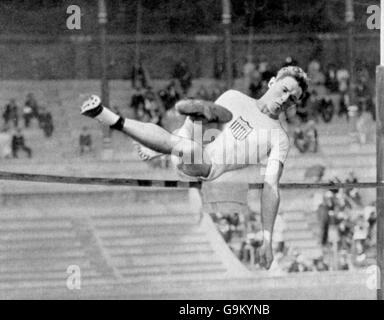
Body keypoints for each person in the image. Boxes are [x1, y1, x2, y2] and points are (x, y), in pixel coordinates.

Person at [81, 66, 308, 269]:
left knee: (188, 144)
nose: (285, 99)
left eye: (293, 99)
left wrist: (267, 240)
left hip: (205, 166)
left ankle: (153, 141)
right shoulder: (234, 96)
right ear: (271, 83)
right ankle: (122, 122)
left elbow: (271, 188)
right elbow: (204, 125)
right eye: (284, 89)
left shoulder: (279, 138)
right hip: (193, 139)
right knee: (197, 126)